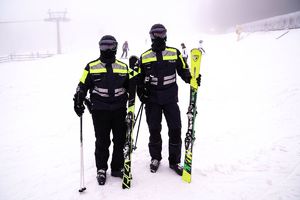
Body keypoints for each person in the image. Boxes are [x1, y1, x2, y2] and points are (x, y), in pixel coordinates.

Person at [137, 24, 201, 176]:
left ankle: (174, 161)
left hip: (170, 98)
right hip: (152, 100)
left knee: (175, 128)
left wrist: (192, 78)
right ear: (151, 36)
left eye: (161, 33)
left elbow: (183, 70)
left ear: (166, 35)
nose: (158, 37)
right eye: (155, 34)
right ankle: (155, 158)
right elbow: (138, 79)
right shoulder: (145, 56)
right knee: (154, 129)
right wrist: (141, 93)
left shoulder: (174, 53)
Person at [73, 35, 130, 186]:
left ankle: (117, 167)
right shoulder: (91, 66)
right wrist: (78, 97)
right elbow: (82, 84)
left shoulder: (123, 67)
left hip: (119, 109)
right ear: (99, 47)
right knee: (102, 141)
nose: (108, 49)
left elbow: (131, 83)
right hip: (100, 110)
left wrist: (138, 83)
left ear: (116, 47)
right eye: (104, 46)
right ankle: (101, 169)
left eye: (111, 46)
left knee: (120, 140)